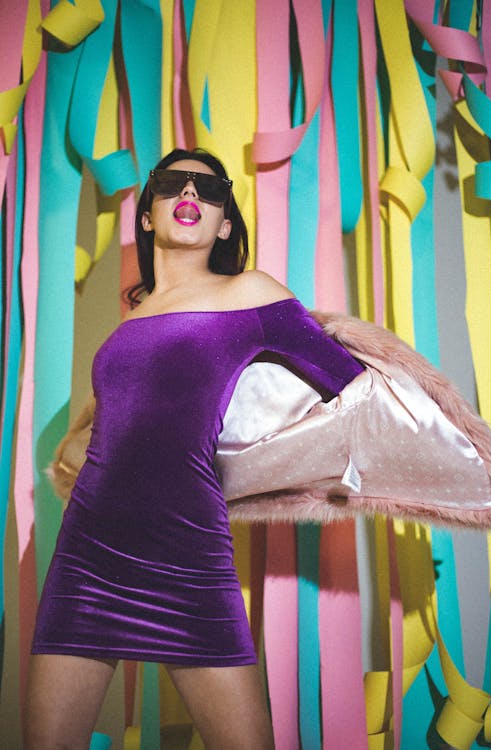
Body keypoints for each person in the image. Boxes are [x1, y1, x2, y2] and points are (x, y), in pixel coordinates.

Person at [24, 148, 365, 750]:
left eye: (209, 191)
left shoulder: (251, 293)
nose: (190, 195)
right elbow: (119, 421)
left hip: (187, 552)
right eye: (173, 185)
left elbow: (352, 384)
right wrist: (76, 448)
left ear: (225, 223)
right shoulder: (135, 315)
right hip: (87, 554)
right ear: (149, 214)